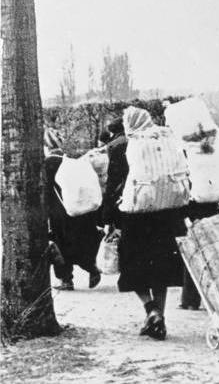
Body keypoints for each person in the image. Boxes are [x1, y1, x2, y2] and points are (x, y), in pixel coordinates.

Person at [103, 108, 186, 341]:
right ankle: (161, 319)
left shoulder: (122, 147)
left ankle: (150, 310)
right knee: (160, 267)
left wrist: (108, 218)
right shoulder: (166, 141)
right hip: (166, 214)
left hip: (134, 216)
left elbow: (113, 185)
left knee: (133, 265)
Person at [44, 128, 102, 291]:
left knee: (60, 246)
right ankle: (91, 267)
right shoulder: (68, 160)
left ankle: (66, 279)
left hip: (59, 212)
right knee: (79, 242)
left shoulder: (48, 163)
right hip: (76, 207)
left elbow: (47, 190)